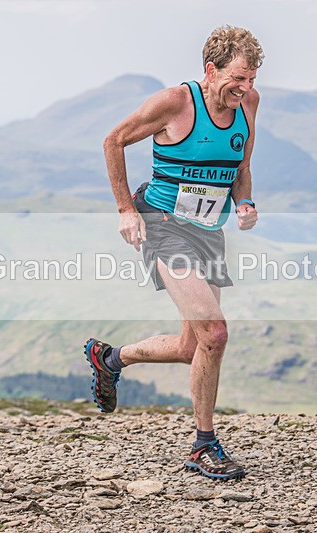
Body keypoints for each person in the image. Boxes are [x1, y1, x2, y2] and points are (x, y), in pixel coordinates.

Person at [86, 25, 263, 481]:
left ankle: (111, 359)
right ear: (211, 69)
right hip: (163, 225)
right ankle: (204, 446)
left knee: (193, 346)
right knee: (216, 333)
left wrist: (243, 201)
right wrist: (126, 209)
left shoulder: (249, 105)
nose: (245, 89)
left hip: (207, 230)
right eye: (238, 78)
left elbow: (241, 167)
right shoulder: (175, 103)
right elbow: (113, 140)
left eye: (253, 79)